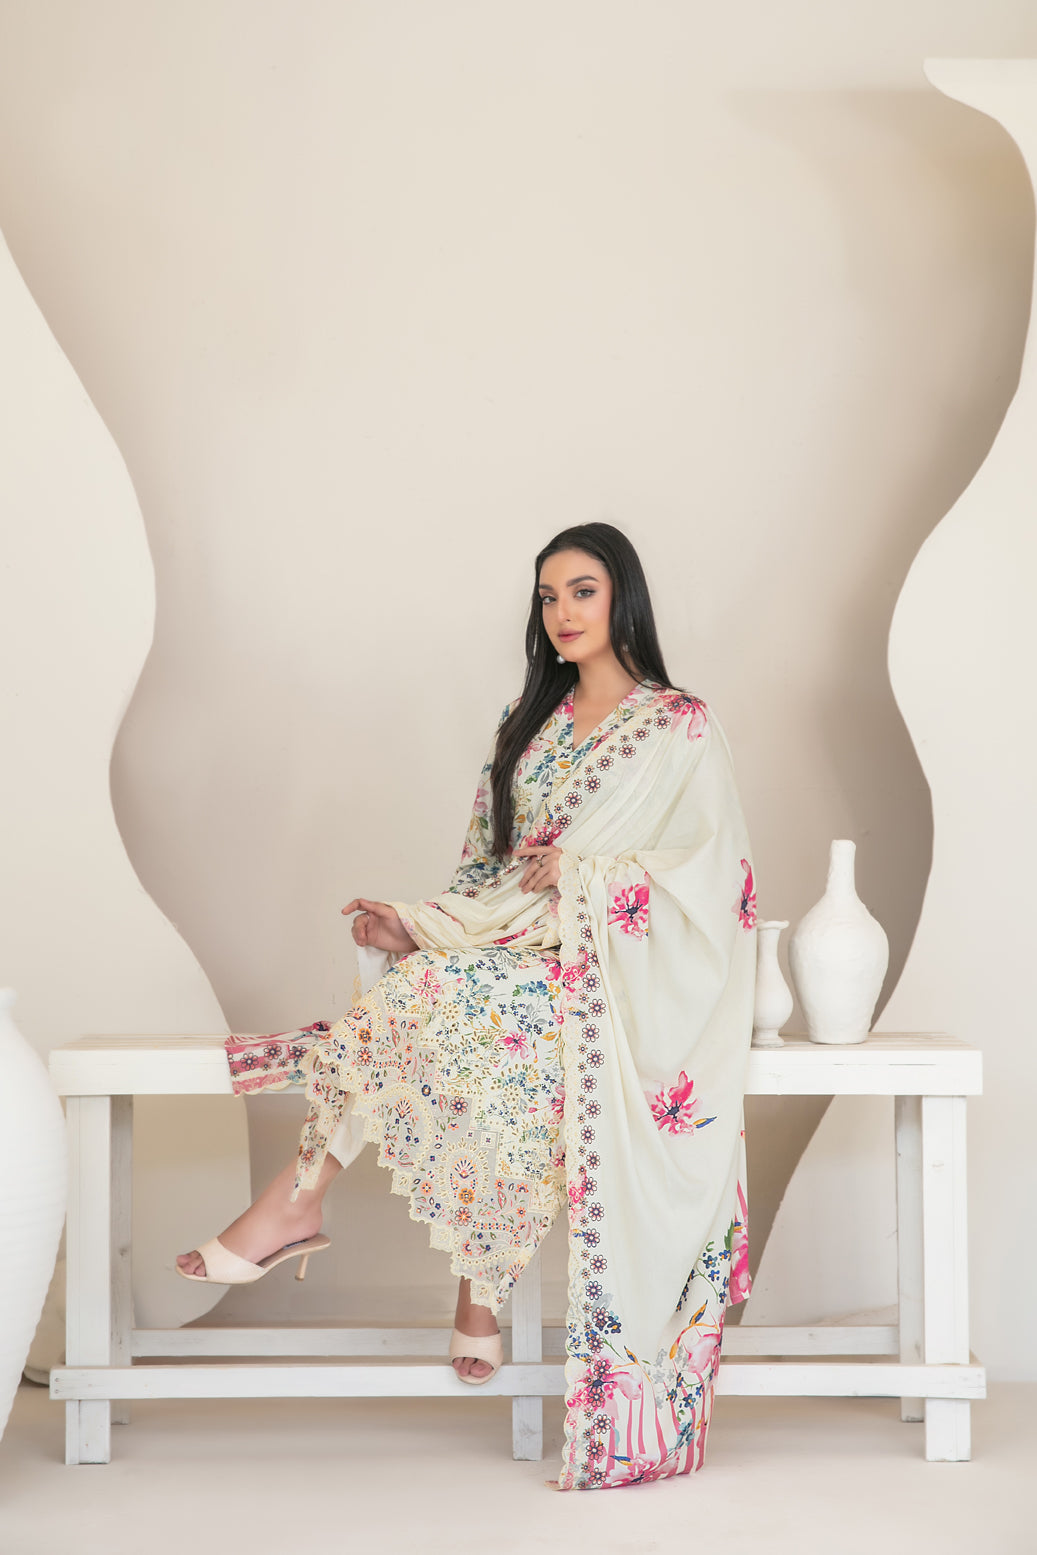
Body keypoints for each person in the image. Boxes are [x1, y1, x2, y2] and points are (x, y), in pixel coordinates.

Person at [176, 521, 756, 1491]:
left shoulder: (678, 725)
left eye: (581, 590)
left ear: (622, 596)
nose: (562, 612)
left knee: (456, 1007)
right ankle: (440, 1264)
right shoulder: (523, 723)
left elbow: (713, 873)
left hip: (610, 971)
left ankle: (311, 1205)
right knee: (445, 1001)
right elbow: (485, 873)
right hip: (509, 955)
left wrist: (590, 874)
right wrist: (417, 924)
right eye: (547, 596)